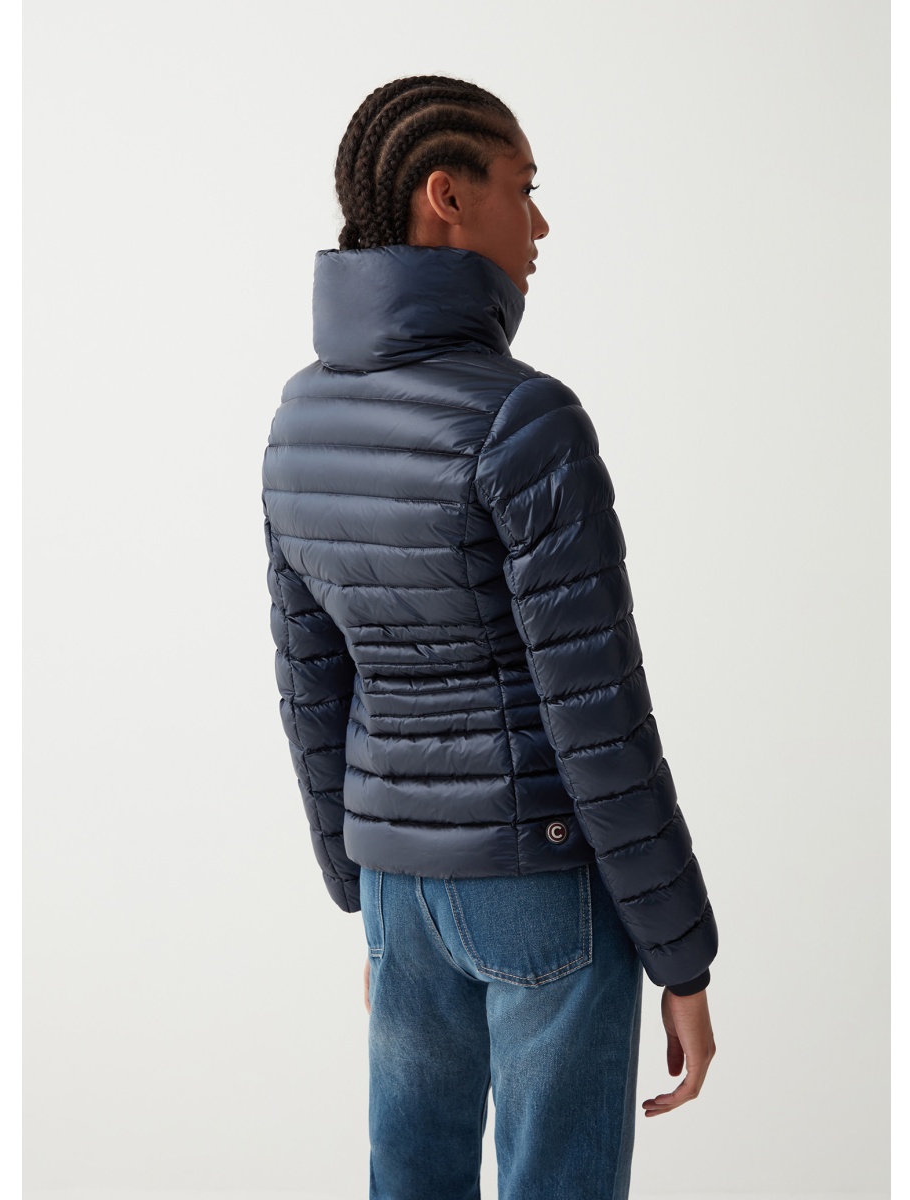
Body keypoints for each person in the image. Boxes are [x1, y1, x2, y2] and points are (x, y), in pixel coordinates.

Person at [262, 75, 719, 1200]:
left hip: (400, 885)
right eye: (525, 187)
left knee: (408, 1180)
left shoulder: (299, 418)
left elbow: (311, 687)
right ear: (448, 198)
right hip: (541, 881)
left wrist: (364, 892)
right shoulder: (525, 418)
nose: (542, 224)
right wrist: (682, 953)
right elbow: (599, 711)